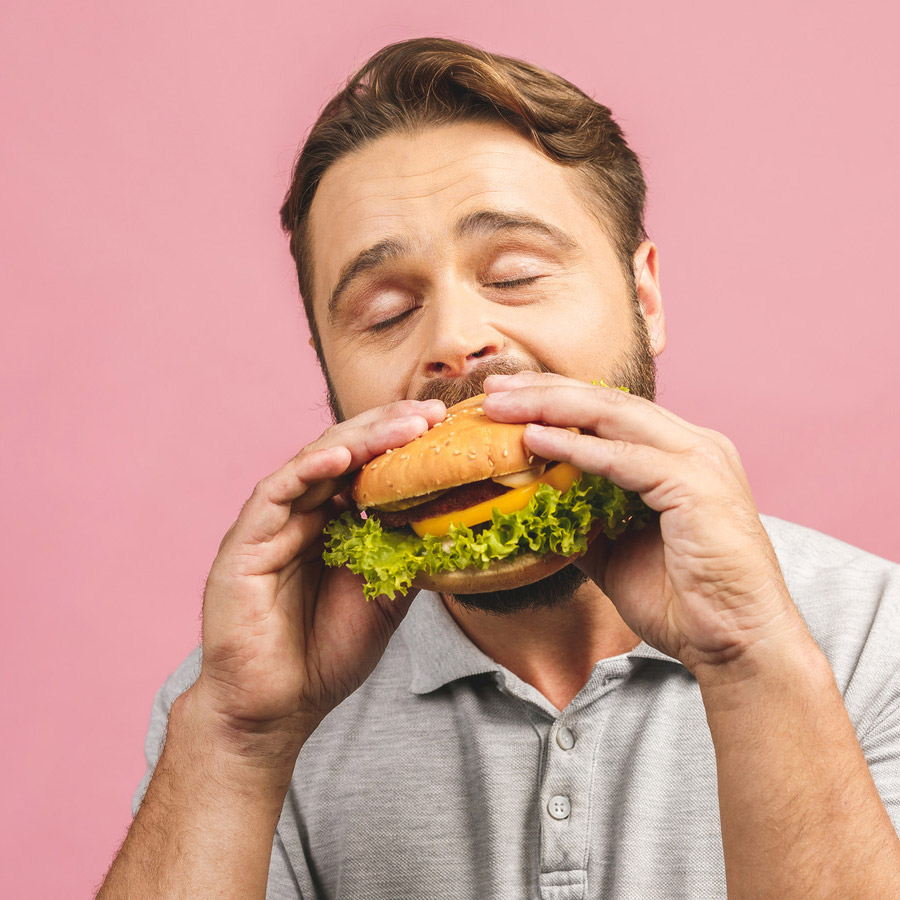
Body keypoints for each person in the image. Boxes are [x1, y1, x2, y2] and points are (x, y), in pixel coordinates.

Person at [97, 37, 900, 899]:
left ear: (646, 298)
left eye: (515, 274)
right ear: (327, 372)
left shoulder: (870, 637)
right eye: (386, 312)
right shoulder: (246, 691)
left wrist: (751, 660)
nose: (454, 340)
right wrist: (235, 740)